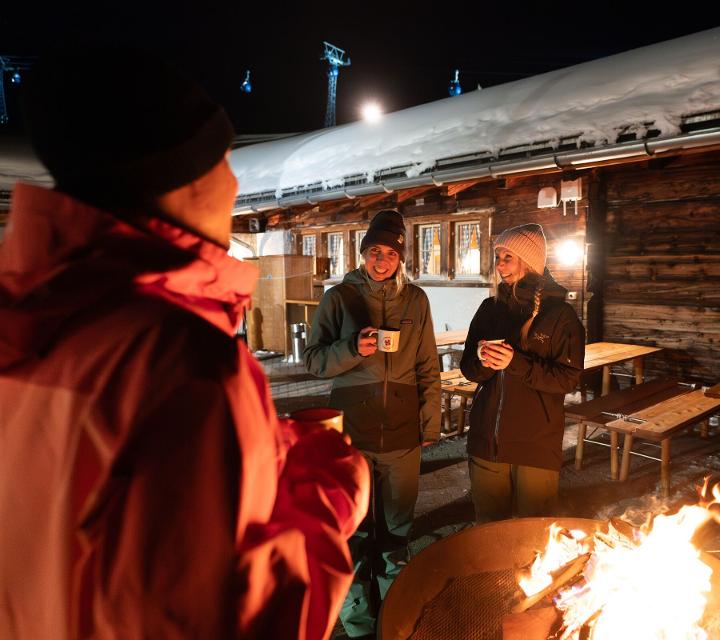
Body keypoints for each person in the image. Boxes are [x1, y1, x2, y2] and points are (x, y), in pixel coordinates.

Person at [0, 48, 369, 640]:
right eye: (222, 159)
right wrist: (331, 490)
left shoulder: (36, 327)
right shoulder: (177, 360)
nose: (233, 180)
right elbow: (246, 621)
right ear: (183, 179)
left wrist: (260, 453)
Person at [304, 209, 441, 638]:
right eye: (374, 251)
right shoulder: (338, 298)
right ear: (363, 253)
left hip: (402, 436)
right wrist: (351, 349)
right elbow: (313, 361)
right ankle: (361, 626)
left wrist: (429, 428)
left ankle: (394, 620)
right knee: (354, 536)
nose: (382, 260)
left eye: (390, 253)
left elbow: (428, 369)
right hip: (353, 436)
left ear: (401, 258)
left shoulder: (416, 301)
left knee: (397, 538)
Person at [460, 223, 585, 522]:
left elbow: (568, 379)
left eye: (508, 257)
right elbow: (468, 369)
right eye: (498, 256)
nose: (500, 264)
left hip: (535, 446)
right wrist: (481, 360)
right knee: (489, 533)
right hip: (487, 442)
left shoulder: (559, 315)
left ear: (529, 260)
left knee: (532, 536)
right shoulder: (489, 308)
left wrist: (514, 362)